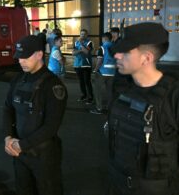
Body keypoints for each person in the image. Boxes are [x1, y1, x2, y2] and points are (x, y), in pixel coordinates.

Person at [107, 22, 179, 195]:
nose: (116, 55)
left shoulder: (173, 96)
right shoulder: (122, 87)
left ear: (146, 58)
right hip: (117, 182)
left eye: (125, 52)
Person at [3, 35, 67, 195]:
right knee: (23, 189)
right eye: (19, 57)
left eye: (25, 57)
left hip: (43, 155)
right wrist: (8, 137)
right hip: (19, 152)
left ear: (39, 54)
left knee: (48, 190)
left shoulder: (53, 85)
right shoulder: (18, 80)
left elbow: (51, 126)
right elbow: (7, 109)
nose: (20, 61)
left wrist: (21, 145)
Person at [89, 32, 116, 115]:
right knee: (110, 91)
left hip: (103, 72)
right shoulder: (115, 47)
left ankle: (99, 108)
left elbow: (100, 61)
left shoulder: (102, 47)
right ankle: (110, 107)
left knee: (97, 91)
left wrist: (95, 70)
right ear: (111, 38)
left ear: (104, 38)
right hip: (113, 73)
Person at [72, 29, 94, 104]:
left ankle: (91, 97)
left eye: (84, 34)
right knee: (81, 82)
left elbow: (87, 52)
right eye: (81, 34)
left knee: (87, 82)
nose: (82, 35)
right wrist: (80, 50)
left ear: (87, 35)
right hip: (77, 65)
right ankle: (84, 95)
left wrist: (81, 45)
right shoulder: (76, 42)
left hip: (86, 65)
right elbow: (73, 53)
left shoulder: (89, 42)